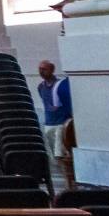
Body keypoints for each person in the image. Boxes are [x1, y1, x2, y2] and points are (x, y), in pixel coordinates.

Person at [37, 59, 73, 187]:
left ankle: (67, 181)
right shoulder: (41, 86)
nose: (41, 71)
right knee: (53, 154)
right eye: (40, 69)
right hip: (49, 122)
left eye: (44, 69)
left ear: (51, 70)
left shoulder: (58, 85)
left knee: (60, 153)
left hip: (60, 122)